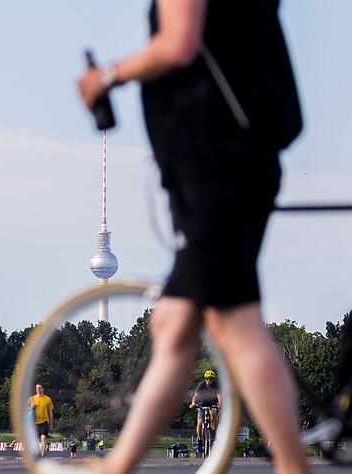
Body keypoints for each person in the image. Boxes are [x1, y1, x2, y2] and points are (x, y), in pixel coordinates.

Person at [77, 1, 308, 473]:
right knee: (175, 325)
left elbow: (178, 44)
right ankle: (120, 464)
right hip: (236, 159)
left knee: (234, 322)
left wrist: (108, 77)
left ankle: (292, 465)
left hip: (214, 165)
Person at [189, 369, 222, 451]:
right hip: (202, 405)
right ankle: (200, 441)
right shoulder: (201, 385)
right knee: (200, 423)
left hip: (212, 405)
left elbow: (219, 397)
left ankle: (213, 433)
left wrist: (220, 403)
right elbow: (195, 396)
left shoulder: (216, 386)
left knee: (213, 414)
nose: (208, 380)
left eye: (210, 379)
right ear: (205, 379)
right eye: (207, 378)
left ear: (213, 379)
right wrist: (193, 403)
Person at [28, 383, 54, 458]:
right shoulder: (32, 398)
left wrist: (51, 425)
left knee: (44, 438)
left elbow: (50, 413)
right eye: (37, 388)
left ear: (43, 389)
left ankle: (42, 455)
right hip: (34, 423)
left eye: (39, 388)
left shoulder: (48, 399)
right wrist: (31, 407)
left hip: (44, 422)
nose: (38, 389)